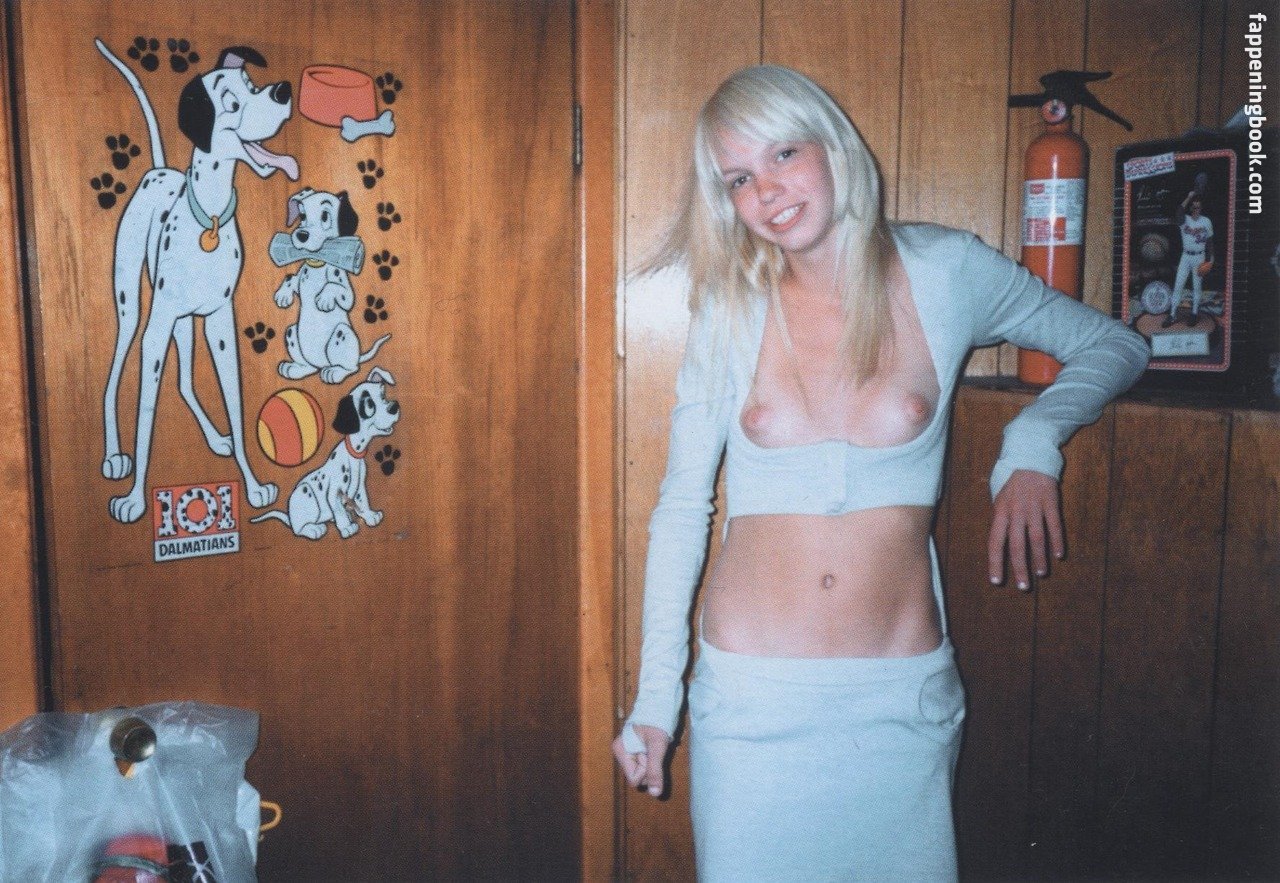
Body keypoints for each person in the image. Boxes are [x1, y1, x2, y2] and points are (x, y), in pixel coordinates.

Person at [612, 65, 1150, 881]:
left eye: (784, 153)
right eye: (739, 178)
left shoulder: (947, 270)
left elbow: (1114, 343)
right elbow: (683, 505)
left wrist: (1035, 439)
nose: (767, 190)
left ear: (832, 144)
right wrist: (658, 699)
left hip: (900, 701)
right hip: (751, 702)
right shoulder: (729, 305)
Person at [1162, 190, 1214, 328]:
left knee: (1197, 286)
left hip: (1200, 257)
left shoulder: (1206, 221)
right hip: (1185, 257)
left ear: (1201, 208)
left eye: (1198, 207)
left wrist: (1211, 259)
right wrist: (1189, 196)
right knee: (1178, 285)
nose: (1196, 209)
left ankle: (1194, 313)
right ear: (1190, 208)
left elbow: (1210, 241)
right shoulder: (1185, 220)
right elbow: (1178, 211)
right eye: (1193, 207)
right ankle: (1172, 315)